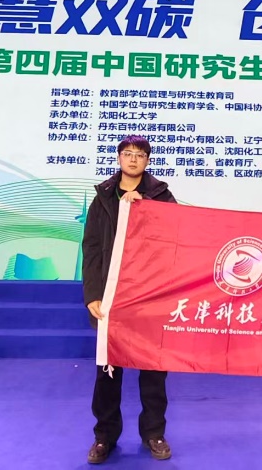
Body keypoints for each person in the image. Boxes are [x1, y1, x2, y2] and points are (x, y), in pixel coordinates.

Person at [82, 135, 177, 464]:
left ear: (147, 161)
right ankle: (104, 436)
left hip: (149, 296)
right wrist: (93, 294)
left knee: (153, 371)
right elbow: (92, 248)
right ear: (119, 158)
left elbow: (174, 240)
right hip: (111, 297)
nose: (133, 159)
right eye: (127, 153)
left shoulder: (162, 197)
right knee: (108, 372)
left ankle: (154, 433)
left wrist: (145, 209)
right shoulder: (103, 197)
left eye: (139, 154)